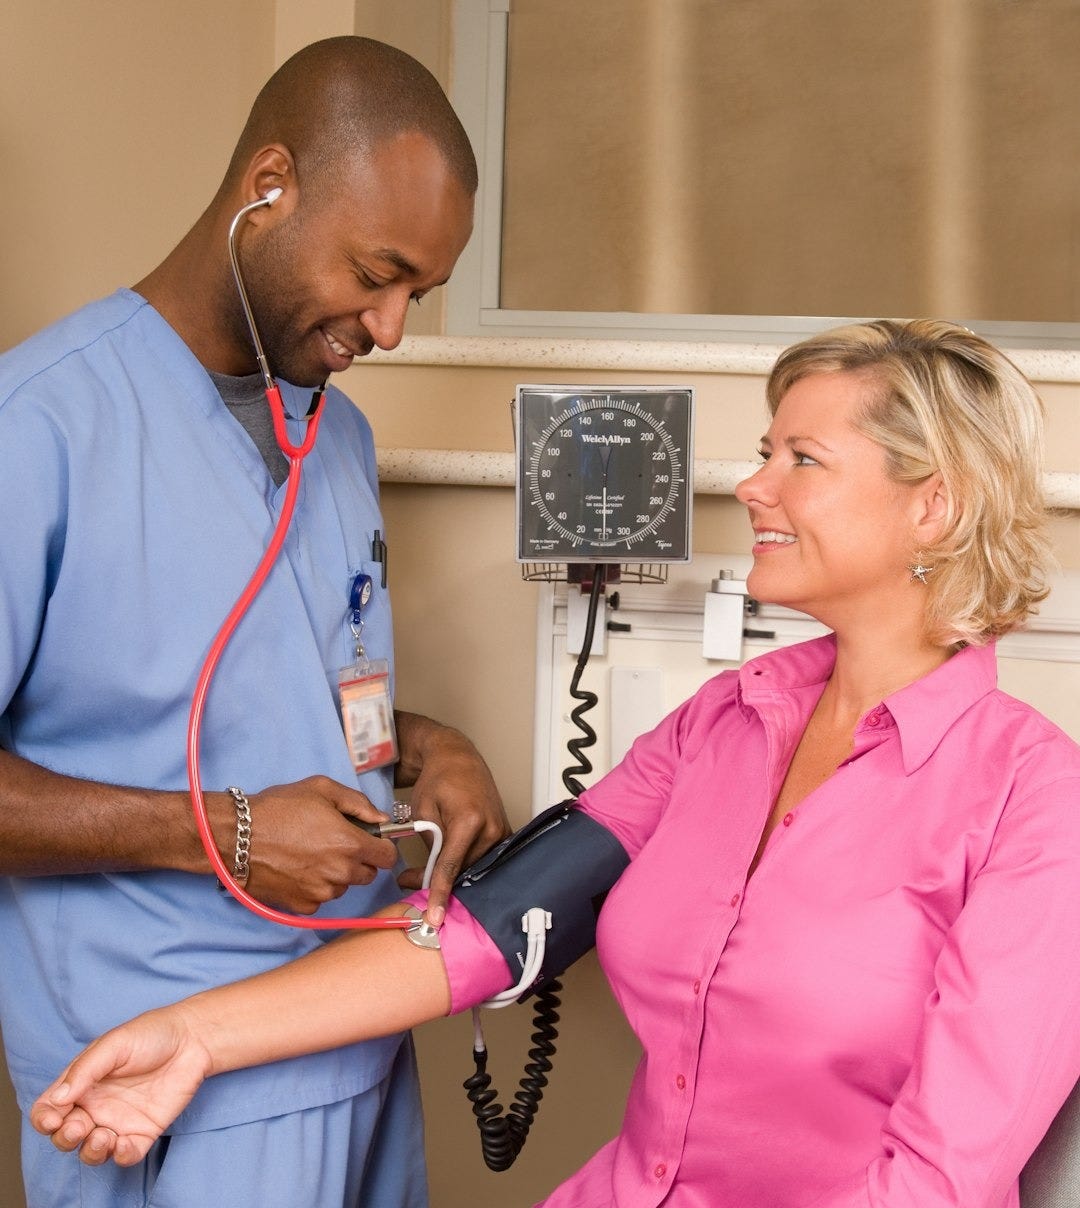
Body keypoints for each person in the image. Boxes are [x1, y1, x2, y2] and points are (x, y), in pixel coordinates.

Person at [29, 320, 1080, 1207]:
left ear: (931, 506)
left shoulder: (1033, 802)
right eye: (766, 448)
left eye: (802, 458)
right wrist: (192, 1036)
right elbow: (487, 928)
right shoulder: (725, 721)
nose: (752, 484)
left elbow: (944, 1176)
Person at [1, 35, 512, 1208]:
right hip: (165, 1088)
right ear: (268, 186)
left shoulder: (334, 436)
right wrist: (221, 831)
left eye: (417, 296)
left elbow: (287, 686)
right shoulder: (37, 429)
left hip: (360, 1037)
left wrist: (434, 748)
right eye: (376, 273)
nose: (390, 330)